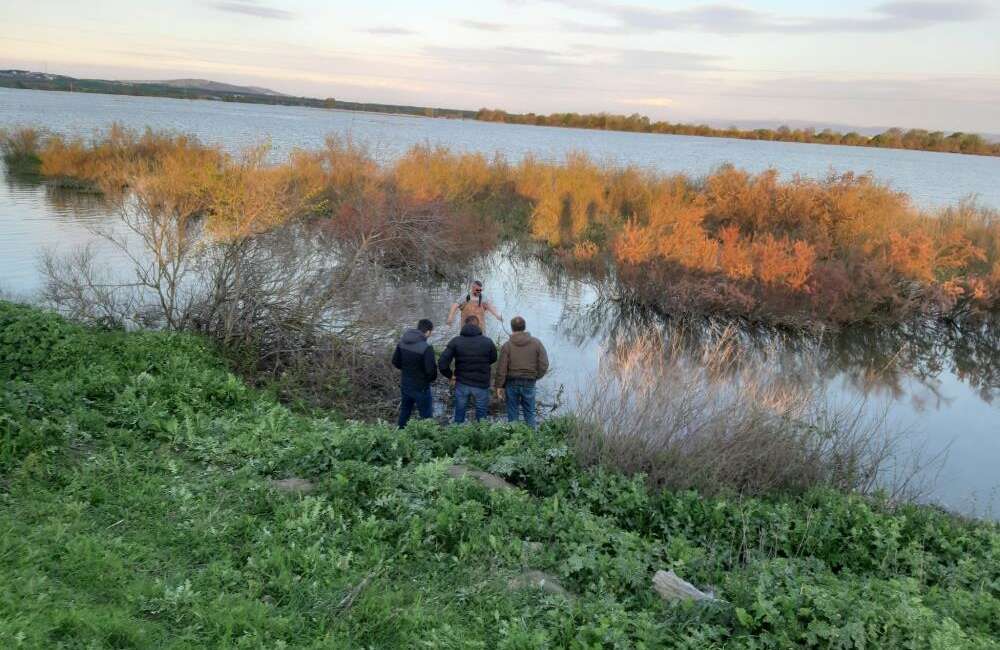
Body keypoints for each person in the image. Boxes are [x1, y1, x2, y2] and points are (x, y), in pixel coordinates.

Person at [438, 314, 497, 423]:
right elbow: (493, 358)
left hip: (462, 382)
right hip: (481, 383)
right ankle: (482, 436)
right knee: (481, 414)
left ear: (464, 325)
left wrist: (450, 375)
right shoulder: (487, 342)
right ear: (478, 325)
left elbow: (442, 363)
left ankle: (458, 435)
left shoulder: (456, 341)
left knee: (459, 412)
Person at [495, 316, 549, 428]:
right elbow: (544, 364)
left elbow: (502, 368)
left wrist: (499, 386)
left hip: (512, 382)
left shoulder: (507, 345)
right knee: (529, 413)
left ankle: (514, 441)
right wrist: (535, 376)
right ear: (524, 327)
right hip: (529, 382)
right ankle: (530, 441)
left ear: (512, 328)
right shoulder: (536, 343)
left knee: (512, 414)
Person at [391, 318, 437, 428]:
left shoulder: (402, 342)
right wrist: (427, 379)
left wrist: (408, 370)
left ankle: (400, 433)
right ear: (428, 332)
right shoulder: (426, 348)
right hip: (421, 387)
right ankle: (428, 438)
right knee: (426, 416)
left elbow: (395, 362)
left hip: (405, 384)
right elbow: (431, 372)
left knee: (405, 412)